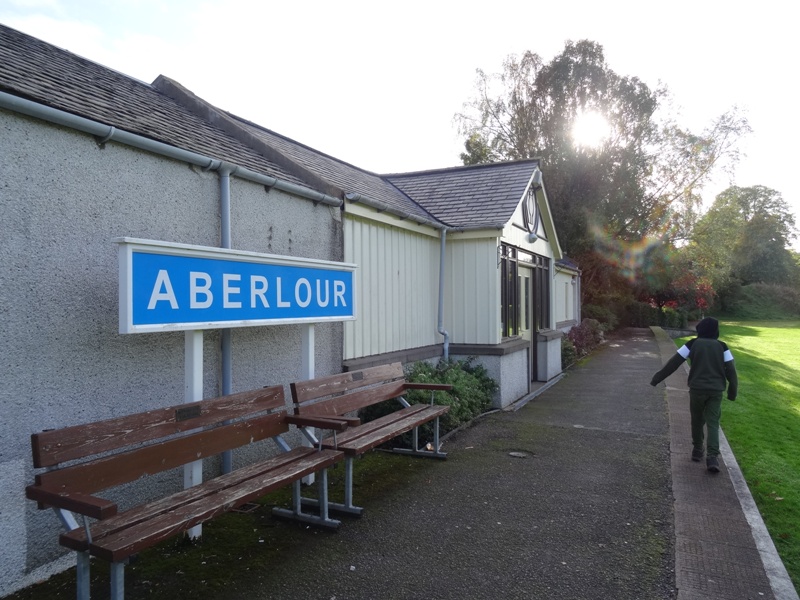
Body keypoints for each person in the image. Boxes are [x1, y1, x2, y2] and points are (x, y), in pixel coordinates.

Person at [650, 317, 738, 473]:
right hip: (716, 391)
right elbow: (731, 371)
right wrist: (732, 392)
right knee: (713, 423)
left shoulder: (692, 344)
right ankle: (712, 457)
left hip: (697, 390)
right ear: (715, 331)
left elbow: (674, 363)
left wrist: (657, 378)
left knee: (697, 420)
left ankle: (697, 450)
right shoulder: (722, 347)